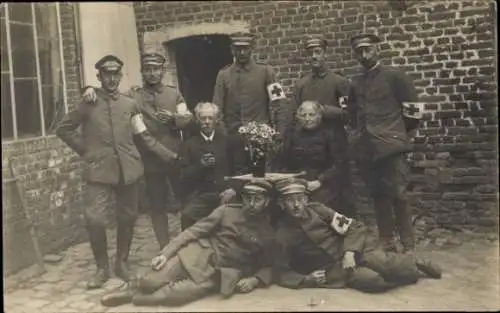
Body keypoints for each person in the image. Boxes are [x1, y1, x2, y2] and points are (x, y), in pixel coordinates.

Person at [56, 55, 179, 288]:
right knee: (94, 218)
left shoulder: (129, 104)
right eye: (106, 74)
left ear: (120, 76)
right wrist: (88, 151)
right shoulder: (88, 102)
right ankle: (102, 268)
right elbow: (63, 129)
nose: (111, 79)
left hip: (128, 168)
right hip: (99, 170)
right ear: (99, 77)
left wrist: (170, 155)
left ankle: (121, 262)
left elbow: (142, 135)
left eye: (115, 75)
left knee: (128, 216)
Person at [100, 180, 276, 307]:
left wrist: (254, 280)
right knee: (150, 281)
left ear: (267, 202)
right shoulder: (226, 211)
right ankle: (133, 287)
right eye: (248, 198)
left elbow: (270, 264)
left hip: (220, 273)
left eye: (258, 199)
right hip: (198, 254)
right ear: (243, 198)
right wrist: (165, 253)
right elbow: (193, 231)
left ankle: (134, 297)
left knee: (172, 296)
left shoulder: (268, 232)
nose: (252, 204)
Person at [81, 52, 193, 249]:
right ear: (142, 72)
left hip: (175, 156)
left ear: (163, 71)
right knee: (157, 206)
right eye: (147, 70)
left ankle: (188, 243)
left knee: (185, 201)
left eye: (156, 69)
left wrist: (175, 118)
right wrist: (88, 87)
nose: (152, 74)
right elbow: (109, 93)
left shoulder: (174, 94)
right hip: (149, 160)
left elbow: (187, 118)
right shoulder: (134, 95)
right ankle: (164, 247)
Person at [272, 178, 442, 293]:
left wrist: (350, 252)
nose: (296, 205)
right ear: (281, 204)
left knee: (388, 265)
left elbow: (353, 227)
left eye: (300, 199)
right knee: (373, 281)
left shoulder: (319, 211)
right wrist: (306, 279)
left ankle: (416, 264)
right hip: (333, 269)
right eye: (290, 200)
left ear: (306, 200)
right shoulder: (282, 234)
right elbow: (281, 271)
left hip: (354, 251)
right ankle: (395, 274)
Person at [345, 33, 422, 253]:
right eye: (359, 51)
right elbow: (351, 113)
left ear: (377, 49)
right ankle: (386, 239)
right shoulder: (356, 82)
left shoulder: (395, 76)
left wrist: (401, 136)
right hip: (367, 147)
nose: (364, 54)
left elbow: (413, 111)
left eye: (367, 49)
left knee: (399, 194)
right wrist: (357, 137)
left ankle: (408, 243)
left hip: (392, 145)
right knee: (378, 194)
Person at [287, 35, 355, 217]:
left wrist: (325, 111)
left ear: (325, 54)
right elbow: (294, 114)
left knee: (340, 188)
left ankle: (345, 226)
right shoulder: (302, 84)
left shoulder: (338, 82)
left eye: (318, 52)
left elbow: (351, 112)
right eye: (310, 53)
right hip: (310, 142)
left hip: (334, 140)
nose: (314, 56)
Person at [278, 100, 350, 214]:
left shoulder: (330, 134)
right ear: (298, 117)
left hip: (323, 183)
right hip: (298, 181)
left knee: (318, 209)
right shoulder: (293, 134)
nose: (307, 119)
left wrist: (320, 181)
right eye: (303, 115)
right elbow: (284, 161)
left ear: (319, 116)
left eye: (311, 115)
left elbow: (339, 164)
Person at [178, 102, 242, 230]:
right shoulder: (189, 144)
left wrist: (233, 189)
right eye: (203, 118)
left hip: (225, 193)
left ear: (216, 120)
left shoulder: (227, 141)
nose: (207, 122)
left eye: (210, 118)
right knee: (187, 216)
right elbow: (183, 176)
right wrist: (199, 166)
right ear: (197, 120)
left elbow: (239, 170)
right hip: (201, 195)